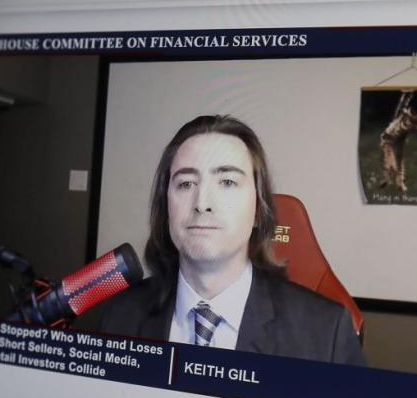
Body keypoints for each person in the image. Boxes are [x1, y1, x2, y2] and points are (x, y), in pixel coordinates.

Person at [100, 115, 365, 365]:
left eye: (227, 182)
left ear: (259, 211)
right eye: (186, 184)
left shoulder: (326, 331)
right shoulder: (118, 316)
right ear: (165, 207)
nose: (202, 204)